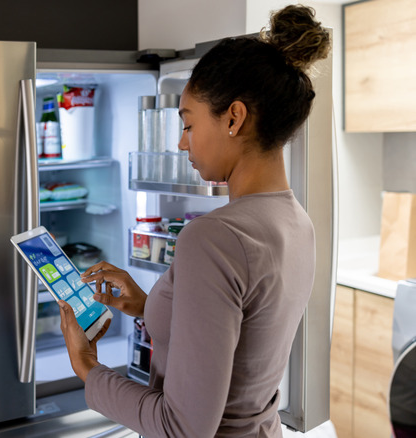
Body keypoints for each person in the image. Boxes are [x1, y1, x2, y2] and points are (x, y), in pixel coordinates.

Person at [56, 4, 331, 437]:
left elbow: (183, 428)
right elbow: (239, 343)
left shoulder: (215, 236)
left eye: (187, 124)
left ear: (234, 118)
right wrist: (151, 307)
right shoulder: (295, 221)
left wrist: (88, 367)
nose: (181, 143)